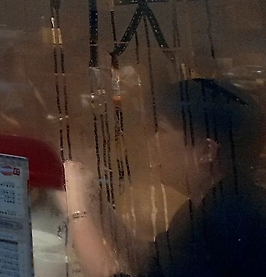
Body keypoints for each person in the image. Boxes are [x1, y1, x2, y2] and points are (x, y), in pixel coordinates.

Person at [64, 76, 266, 277]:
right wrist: (98, 205)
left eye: (162, 130)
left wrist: (78, 209)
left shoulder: (230, 223)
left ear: (206, 151)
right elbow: (150, 262)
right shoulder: (207, 206)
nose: (153, 142)